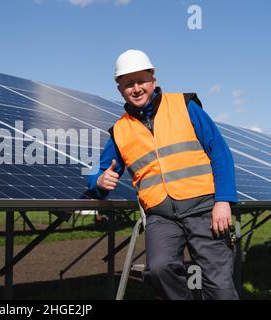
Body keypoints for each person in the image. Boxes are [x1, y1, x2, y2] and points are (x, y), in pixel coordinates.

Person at [87, 50, 238, 300]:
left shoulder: (184, 105)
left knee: (220, 288)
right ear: (120, 89)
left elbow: (220, 152)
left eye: (141, 81)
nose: (136, 88)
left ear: (153, 80)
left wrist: (223, 201)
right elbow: (100, 174)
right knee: (158, 270)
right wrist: (99, 182)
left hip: (204, 209)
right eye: (128, 84)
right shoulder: (120, 130)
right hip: (161, 216)